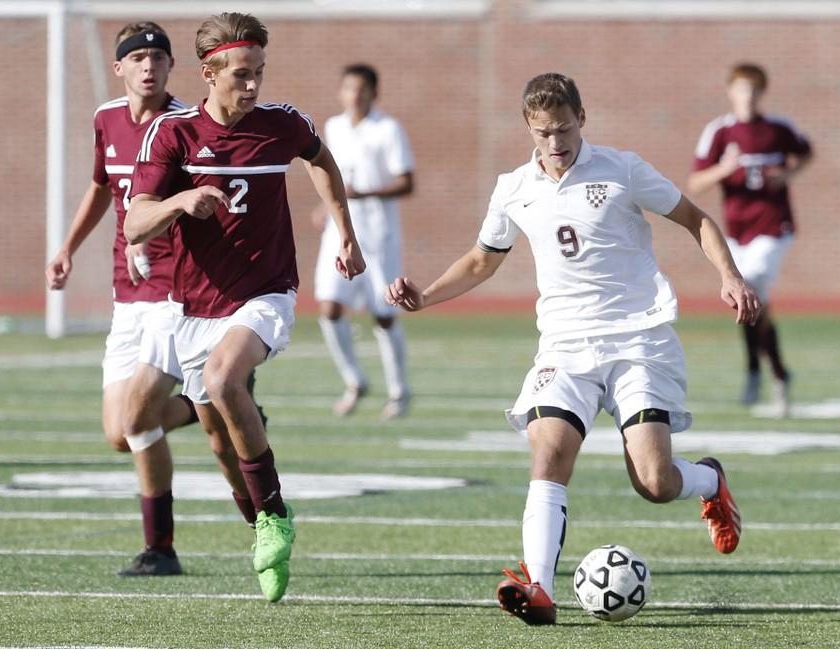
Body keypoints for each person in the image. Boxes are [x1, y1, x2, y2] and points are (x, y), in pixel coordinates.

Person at [387, 73, 759, 626]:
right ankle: (538, 588)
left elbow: (696, 219)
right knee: (550, 452)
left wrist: (730, 276)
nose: (555, 142)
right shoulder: (513, 187)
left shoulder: (623, 169)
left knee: (655, 483)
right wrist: (427, 296)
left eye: (563, 129)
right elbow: (481, 260)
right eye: (543, 133)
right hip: (564, 345)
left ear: (581, 119)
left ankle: (709, 480)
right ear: (529, 130)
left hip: (639, 338)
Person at [125, 12, 365, 602]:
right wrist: (182, 200)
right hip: (192, 307)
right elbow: (135, 221)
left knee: (225, 379)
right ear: (209, 72)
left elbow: (323, 161)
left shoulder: (282, 124)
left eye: (259, 72)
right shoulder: (173, 134)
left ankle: (276, 514)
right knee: (217, 441)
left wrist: (347, 233)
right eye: (241, 75)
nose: (253, 85)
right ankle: (259, 519)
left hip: (265, 292)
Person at [45, 22, 256, 577]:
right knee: (121, 433)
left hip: (173, 294)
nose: (148, 67)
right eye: (137, 58)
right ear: (120, 69)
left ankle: (160, 548)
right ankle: (211, 401)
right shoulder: (106, 119)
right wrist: (67, 245)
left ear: (170, 67)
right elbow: (101, 188)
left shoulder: (186, 128)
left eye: (157, 58)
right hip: (126, 295)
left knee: (139, 419)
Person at [687, 63, 812, 416]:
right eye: (742, 89)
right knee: (748, 301)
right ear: (731, 91)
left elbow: (805, 153)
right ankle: (774, 371)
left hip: (773, 228)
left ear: (762, 93)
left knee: (751, 286)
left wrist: (787, 174)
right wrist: (724, 170)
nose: (748, 96)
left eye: (754, 90)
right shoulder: (719, 131)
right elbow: (695, 182)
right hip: (736, 231)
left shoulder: (778, 128)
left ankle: (761, 373)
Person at [312, 63, 415, 419]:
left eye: (361, 88)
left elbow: (407, 182)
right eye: (348, 88)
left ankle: (400, 391)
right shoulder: (333, 127)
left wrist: (363, 193)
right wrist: (328, 208)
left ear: (374, 92)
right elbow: (331, 177)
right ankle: (355, 381)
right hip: (340, 233)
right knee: (328, 307)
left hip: (378, 236)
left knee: (383, 314)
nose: (354, 95)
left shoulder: (388, 129)